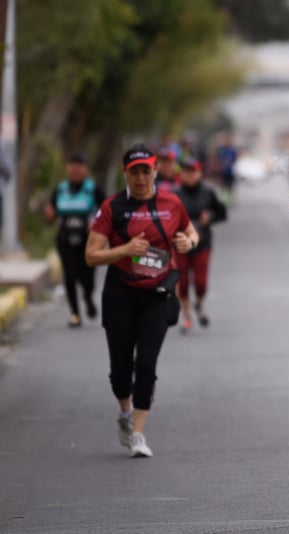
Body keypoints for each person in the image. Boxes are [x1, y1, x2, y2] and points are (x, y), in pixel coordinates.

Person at [85, 144, 199, 458]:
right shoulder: (112, 207)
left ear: (154, 171)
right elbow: (91, 254)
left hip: (157, 294)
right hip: (119, 294)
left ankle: (138, 433)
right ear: (126, 174)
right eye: (133, 172)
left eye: (145, 171)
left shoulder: (171, 203)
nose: (140, 178)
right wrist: (124, 251)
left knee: (146, 364)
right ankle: (124, 413)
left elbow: (192, 234)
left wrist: (187, 242)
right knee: (120, 372)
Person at [44, 152, 107, 327]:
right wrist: (49, 215)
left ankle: (88, 297)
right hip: (65, 238)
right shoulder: (60, 189)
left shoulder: (93, 188)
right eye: (72, 165)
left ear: (85, 168)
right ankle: (74, 313)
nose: (75, 169)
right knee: (70, 274)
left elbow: (107, 210)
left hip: (88, 239)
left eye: (79, 165)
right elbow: (51, 212)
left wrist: (96, 221)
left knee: (87, 276)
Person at [173, 157, 227, 333]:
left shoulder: (207, 192)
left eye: (192, 171)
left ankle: (199, 304)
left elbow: (222, 213)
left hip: (202, 242)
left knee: (200, 283)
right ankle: (186, 317)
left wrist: (210, 217)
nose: (188, 175)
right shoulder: (174, 194)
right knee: (182, 283)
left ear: (199, 173)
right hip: (180, 244)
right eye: (185, 171)